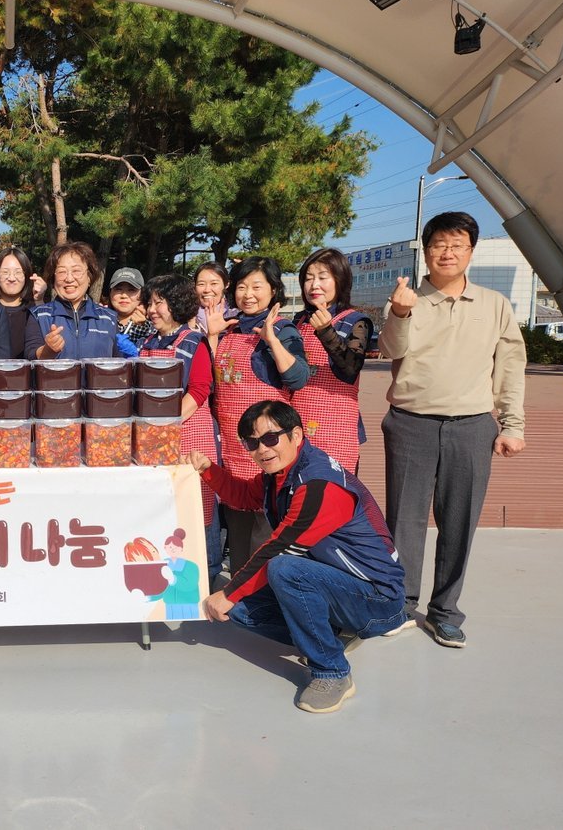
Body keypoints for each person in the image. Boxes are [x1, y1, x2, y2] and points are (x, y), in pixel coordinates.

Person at [189, 400, 408, 714]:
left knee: (283, 569)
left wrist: (228, 593)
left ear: (296, 434)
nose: (262, 450)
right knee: (240, 609)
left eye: (270, 438)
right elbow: (244, 496)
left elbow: (281, 547)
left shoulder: (319, 484)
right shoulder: (281, 473)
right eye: (252, 443)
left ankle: (332, 671)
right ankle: (332, 634)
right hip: (337, 584)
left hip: (378, 598)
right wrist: (208, 470)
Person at [380, 211, 527, 648]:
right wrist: (400, 313)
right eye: (439, 245)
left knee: (459, 522)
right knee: (403, 520)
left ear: (471, 251)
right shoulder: (406, 300)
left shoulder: (494, 305)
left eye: (457, 244)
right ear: (426, 252)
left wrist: (512, 424)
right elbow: (390, 349)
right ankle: (400, 603)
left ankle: (445, 611)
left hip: (472, 426)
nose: (448, 252)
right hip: (411, 423)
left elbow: (510, 367)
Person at [206, 256, 310, 573]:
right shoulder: (229, 329)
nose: (248, 294)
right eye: (241, 287)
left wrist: (272, 341)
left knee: (268, 543)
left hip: (268, 451)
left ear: (273, 290)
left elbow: (298, 377)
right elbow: (214, 382)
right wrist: (212, 337)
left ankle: (270, 597)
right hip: (235, 452)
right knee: (239, 546)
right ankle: (242, 596)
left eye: (256, 286)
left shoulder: (284, 329)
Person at [138, 273, 222, 580]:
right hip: (157, 436)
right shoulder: (148, 343)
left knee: (198, 506)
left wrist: (169, 422)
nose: (152, 310)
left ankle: (207, 574)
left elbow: (199, 390)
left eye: (159, 303)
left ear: (177, 303)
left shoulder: (194, 342)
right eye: (149, 303)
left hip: (190, 433)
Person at [291, 247, 373, 473]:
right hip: (296, 423)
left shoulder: (356, 321)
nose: (314, 285)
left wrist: (326, 331)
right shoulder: (299, 321)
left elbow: (349, 370)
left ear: (340, 280)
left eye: (322, 277)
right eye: (308, 278)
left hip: (335, 426)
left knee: (333, 488)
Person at [26, 241, 121, 360]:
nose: (69, 279)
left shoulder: (109, 318)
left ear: (89, 277)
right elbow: (30, 356)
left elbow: (120, 363)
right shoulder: (39, 316)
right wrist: (47, 351)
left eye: (76, 271)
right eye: (62, 272)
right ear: (53, 278)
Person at [0, 246, 46, 358]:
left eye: (18, 272)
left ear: (27, 275)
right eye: (5, 272)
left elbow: (46, 341)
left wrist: (39, 301)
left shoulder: (33, 309)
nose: (12, 278)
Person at [108, 267, 154, 350]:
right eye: (118, 289)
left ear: (141, 295)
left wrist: (144, 329)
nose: (124, 295)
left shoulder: (151, 329)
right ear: (110, 292)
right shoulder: (99, 321)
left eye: (131, 290)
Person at [192, 261, 237, 333]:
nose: (207, 290)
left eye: (214, 283)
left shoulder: (235, 314)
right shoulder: (186, 315)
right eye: (201, 284)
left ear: (226, 284)